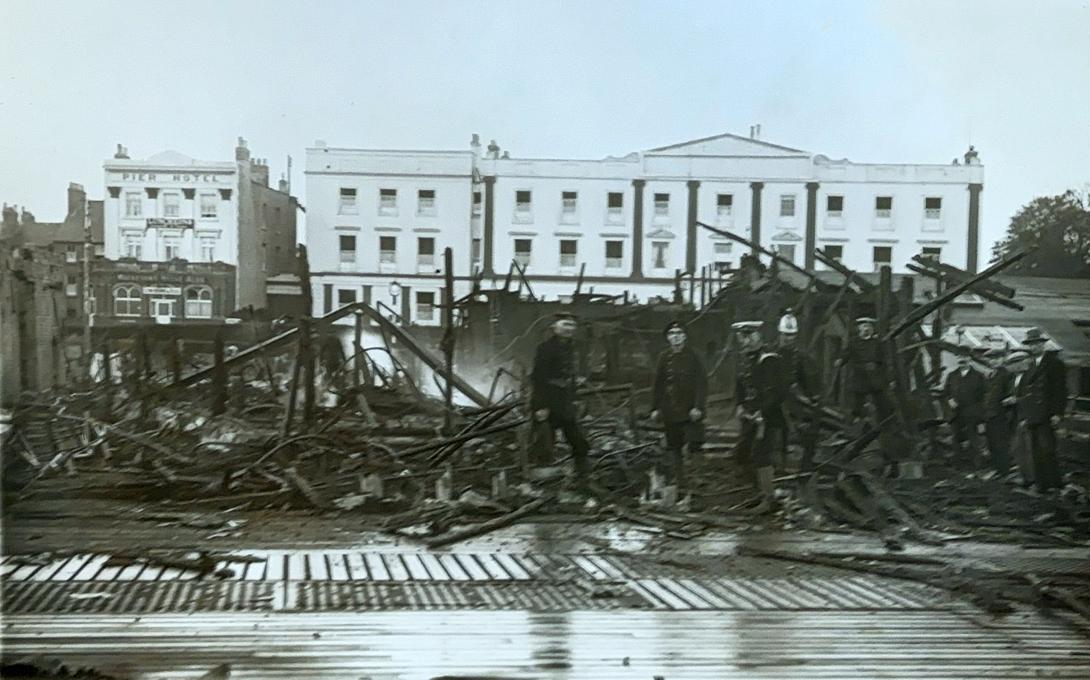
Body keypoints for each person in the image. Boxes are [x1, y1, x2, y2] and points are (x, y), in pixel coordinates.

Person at [530, 312, 591, 486]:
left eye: (572, 326)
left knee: (578, 441)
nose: (569, 329)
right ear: (555, 328)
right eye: (565, 325)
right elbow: (538, 378)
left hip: (565, 401)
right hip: (547, 400)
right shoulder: (545, 348)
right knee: (543, 444)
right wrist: (540, 406)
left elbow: (575, 370)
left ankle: (583, 477)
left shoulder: (574, 348)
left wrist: (578, 381)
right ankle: (541, 483)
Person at [732, 320, 786, 512]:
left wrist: (762, 412)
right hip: (749, 416)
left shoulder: (769, 359)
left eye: (749, 336)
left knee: (761, 455)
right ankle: (759, 492)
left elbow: (776, 392)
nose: (745, 341)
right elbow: (740, 385)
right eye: (742, 337)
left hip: (767, 416)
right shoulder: (746, 359)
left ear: (758, 336)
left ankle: (769, 499)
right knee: (742, 453)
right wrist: (740, 405)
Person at [650, 321, 707, 499]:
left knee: (695, 443)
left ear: (685, 336)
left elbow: (701, 383)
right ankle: (680, 482)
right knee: (674, 447)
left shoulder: (693, 356)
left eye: (679, 332)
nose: (675, 336)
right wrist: (655, 408)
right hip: (670, 410)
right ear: (668, 337)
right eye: (672, 333)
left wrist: (698, 407)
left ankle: (697, 480)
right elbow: (657, 385)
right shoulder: (663, 357)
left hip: (690, 410)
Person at [1013, 328, 1068, 492]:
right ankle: (1041, 484)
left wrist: (1058, 413)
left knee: (1048, 449)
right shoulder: (1030, 365)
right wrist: (1024, 414)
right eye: (1031, 344)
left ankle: (1054, 483)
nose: (1034, 347)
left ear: (1043, 344)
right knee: (1035, 449)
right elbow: (1025, 393)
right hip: (1033, 415)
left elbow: (1060, 390)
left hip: (1047, 413)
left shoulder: (1054, 363)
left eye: (1037, 343)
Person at [776, 309, 819, 471]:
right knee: (775, 435)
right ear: (780, 334)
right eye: (785, 335)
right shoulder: (771, 353)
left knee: (798, 431)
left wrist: (812, 396)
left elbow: (806, 378)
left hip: (793, 400)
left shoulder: (799, 356)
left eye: (791, 335)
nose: (788, 339)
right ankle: (776, 467)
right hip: (774, 399)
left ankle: (798, 466)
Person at [840, 317, 893, 425]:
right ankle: (857, 421)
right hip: (860, 375)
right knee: (858, 401)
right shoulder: (853, 342)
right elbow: (846, 354)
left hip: (875, 375)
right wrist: (841, 360)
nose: (867, 329)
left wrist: (889, 377)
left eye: (869, 326)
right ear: (859, 328)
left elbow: (884, 360)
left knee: (881, 400)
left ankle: (885, 422)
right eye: (864, 326)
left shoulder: (877, 343)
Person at [944, 353, 986, 460]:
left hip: (972, 413)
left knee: (973, 438)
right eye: (959, 357)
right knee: (955, 438)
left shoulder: (978, 376)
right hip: (956, 413)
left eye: (964, 357)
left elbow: (984, 395)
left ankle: (977, 464)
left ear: (969, 359)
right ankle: (958, 464)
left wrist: (979, 413)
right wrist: (950, 400)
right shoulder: (952, 375)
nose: (961, 359)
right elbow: (946, 392)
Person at [982, 347, 1017, 474]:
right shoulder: (991, 375)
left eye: (997, 359)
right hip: (989, 414)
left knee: (1001, 443)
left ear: (1002, 359)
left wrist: (1008, 402)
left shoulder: (1007, 374)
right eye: (991, 359)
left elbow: (1011, 393)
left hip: (1001, 414)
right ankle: (997, 469)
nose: (994, 361)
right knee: (992, 443)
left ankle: (1004, 470)